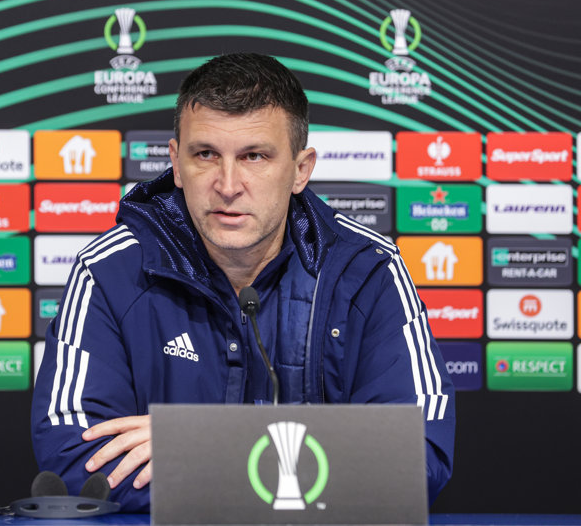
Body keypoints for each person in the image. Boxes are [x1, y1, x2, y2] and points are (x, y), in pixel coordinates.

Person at [31, 52, 455, 512]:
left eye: (254, 156)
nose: (228, 185)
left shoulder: (368, 269)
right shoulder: (110, 270)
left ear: (301, 169)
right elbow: (74, 458)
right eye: (206, 155)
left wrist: (201, 448)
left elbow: (416, 458)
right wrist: (290, 473)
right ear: (176, 163)